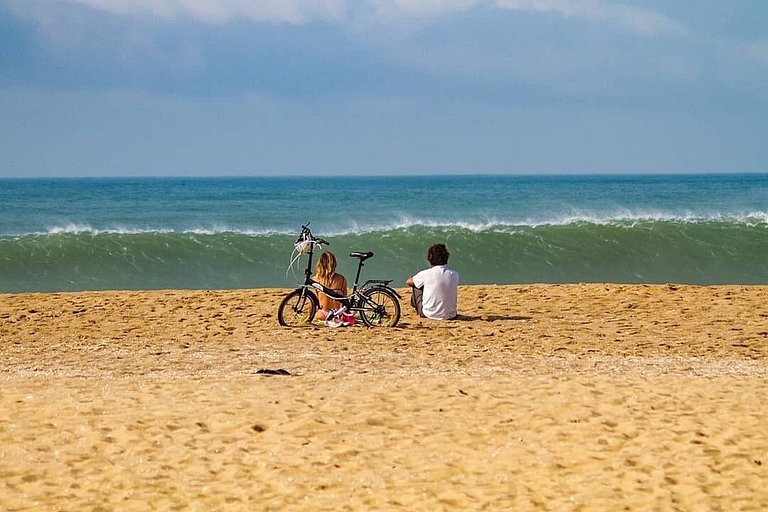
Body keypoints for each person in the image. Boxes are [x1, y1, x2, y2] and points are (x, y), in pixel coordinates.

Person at [406, 243, 459, 320]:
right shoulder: (454, 274)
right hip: (451, 315)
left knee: (416, 286)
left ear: (430, 258)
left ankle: (419, 311)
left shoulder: (426, 273)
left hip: (429, 314)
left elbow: (408, 282)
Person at [313, 251, 348, 320]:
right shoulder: (342, 279)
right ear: (334, 264)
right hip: (339, 313)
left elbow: (314, 302)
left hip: (323, 314)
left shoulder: (315, 279)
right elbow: (345, 300)